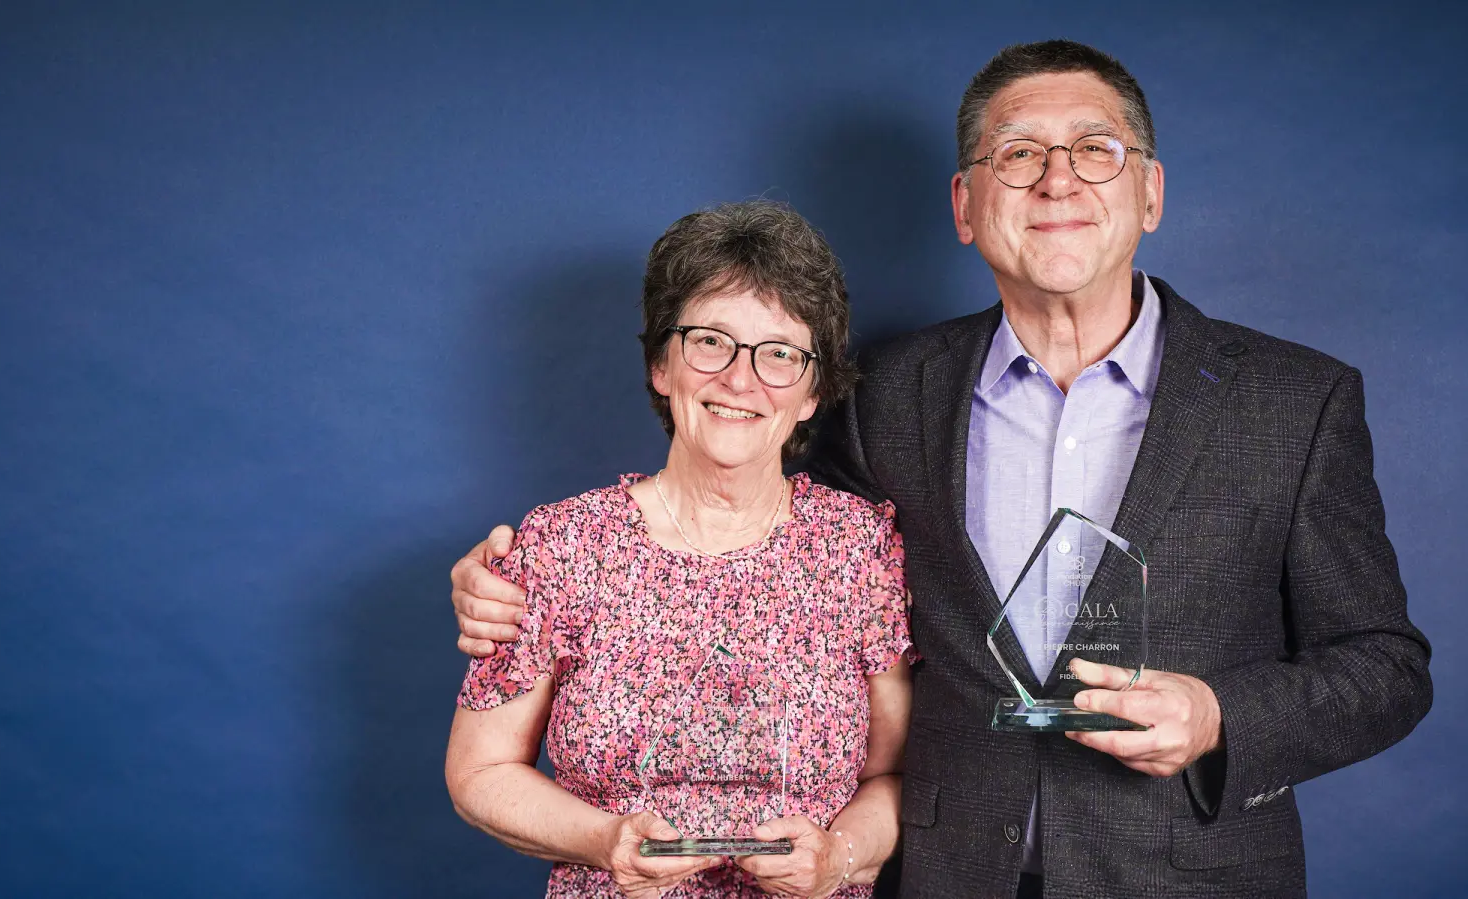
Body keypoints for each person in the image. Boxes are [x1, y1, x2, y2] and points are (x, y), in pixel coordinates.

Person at [452, 41, 1432, 898]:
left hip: (1188, 875)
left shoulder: (1294, 400)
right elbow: (742, 500)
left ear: (1149, 191)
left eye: (1095, 148)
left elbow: (1386, 667)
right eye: (1017, 154)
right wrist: (515, 578)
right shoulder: (887, 393)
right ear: (966, 205)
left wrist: (1217, 713)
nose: (1056, 179)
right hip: (946, 874)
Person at [445, 200, 914, 899]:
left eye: (779, 353)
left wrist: (838, 855)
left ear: (813, 393)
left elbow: (893, 775)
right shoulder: (560, 546)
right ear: (662, 364)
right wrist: (604, 840)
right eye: (710, 342)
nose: (739, 378)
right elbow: (479, 772)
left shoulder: (857, 547)